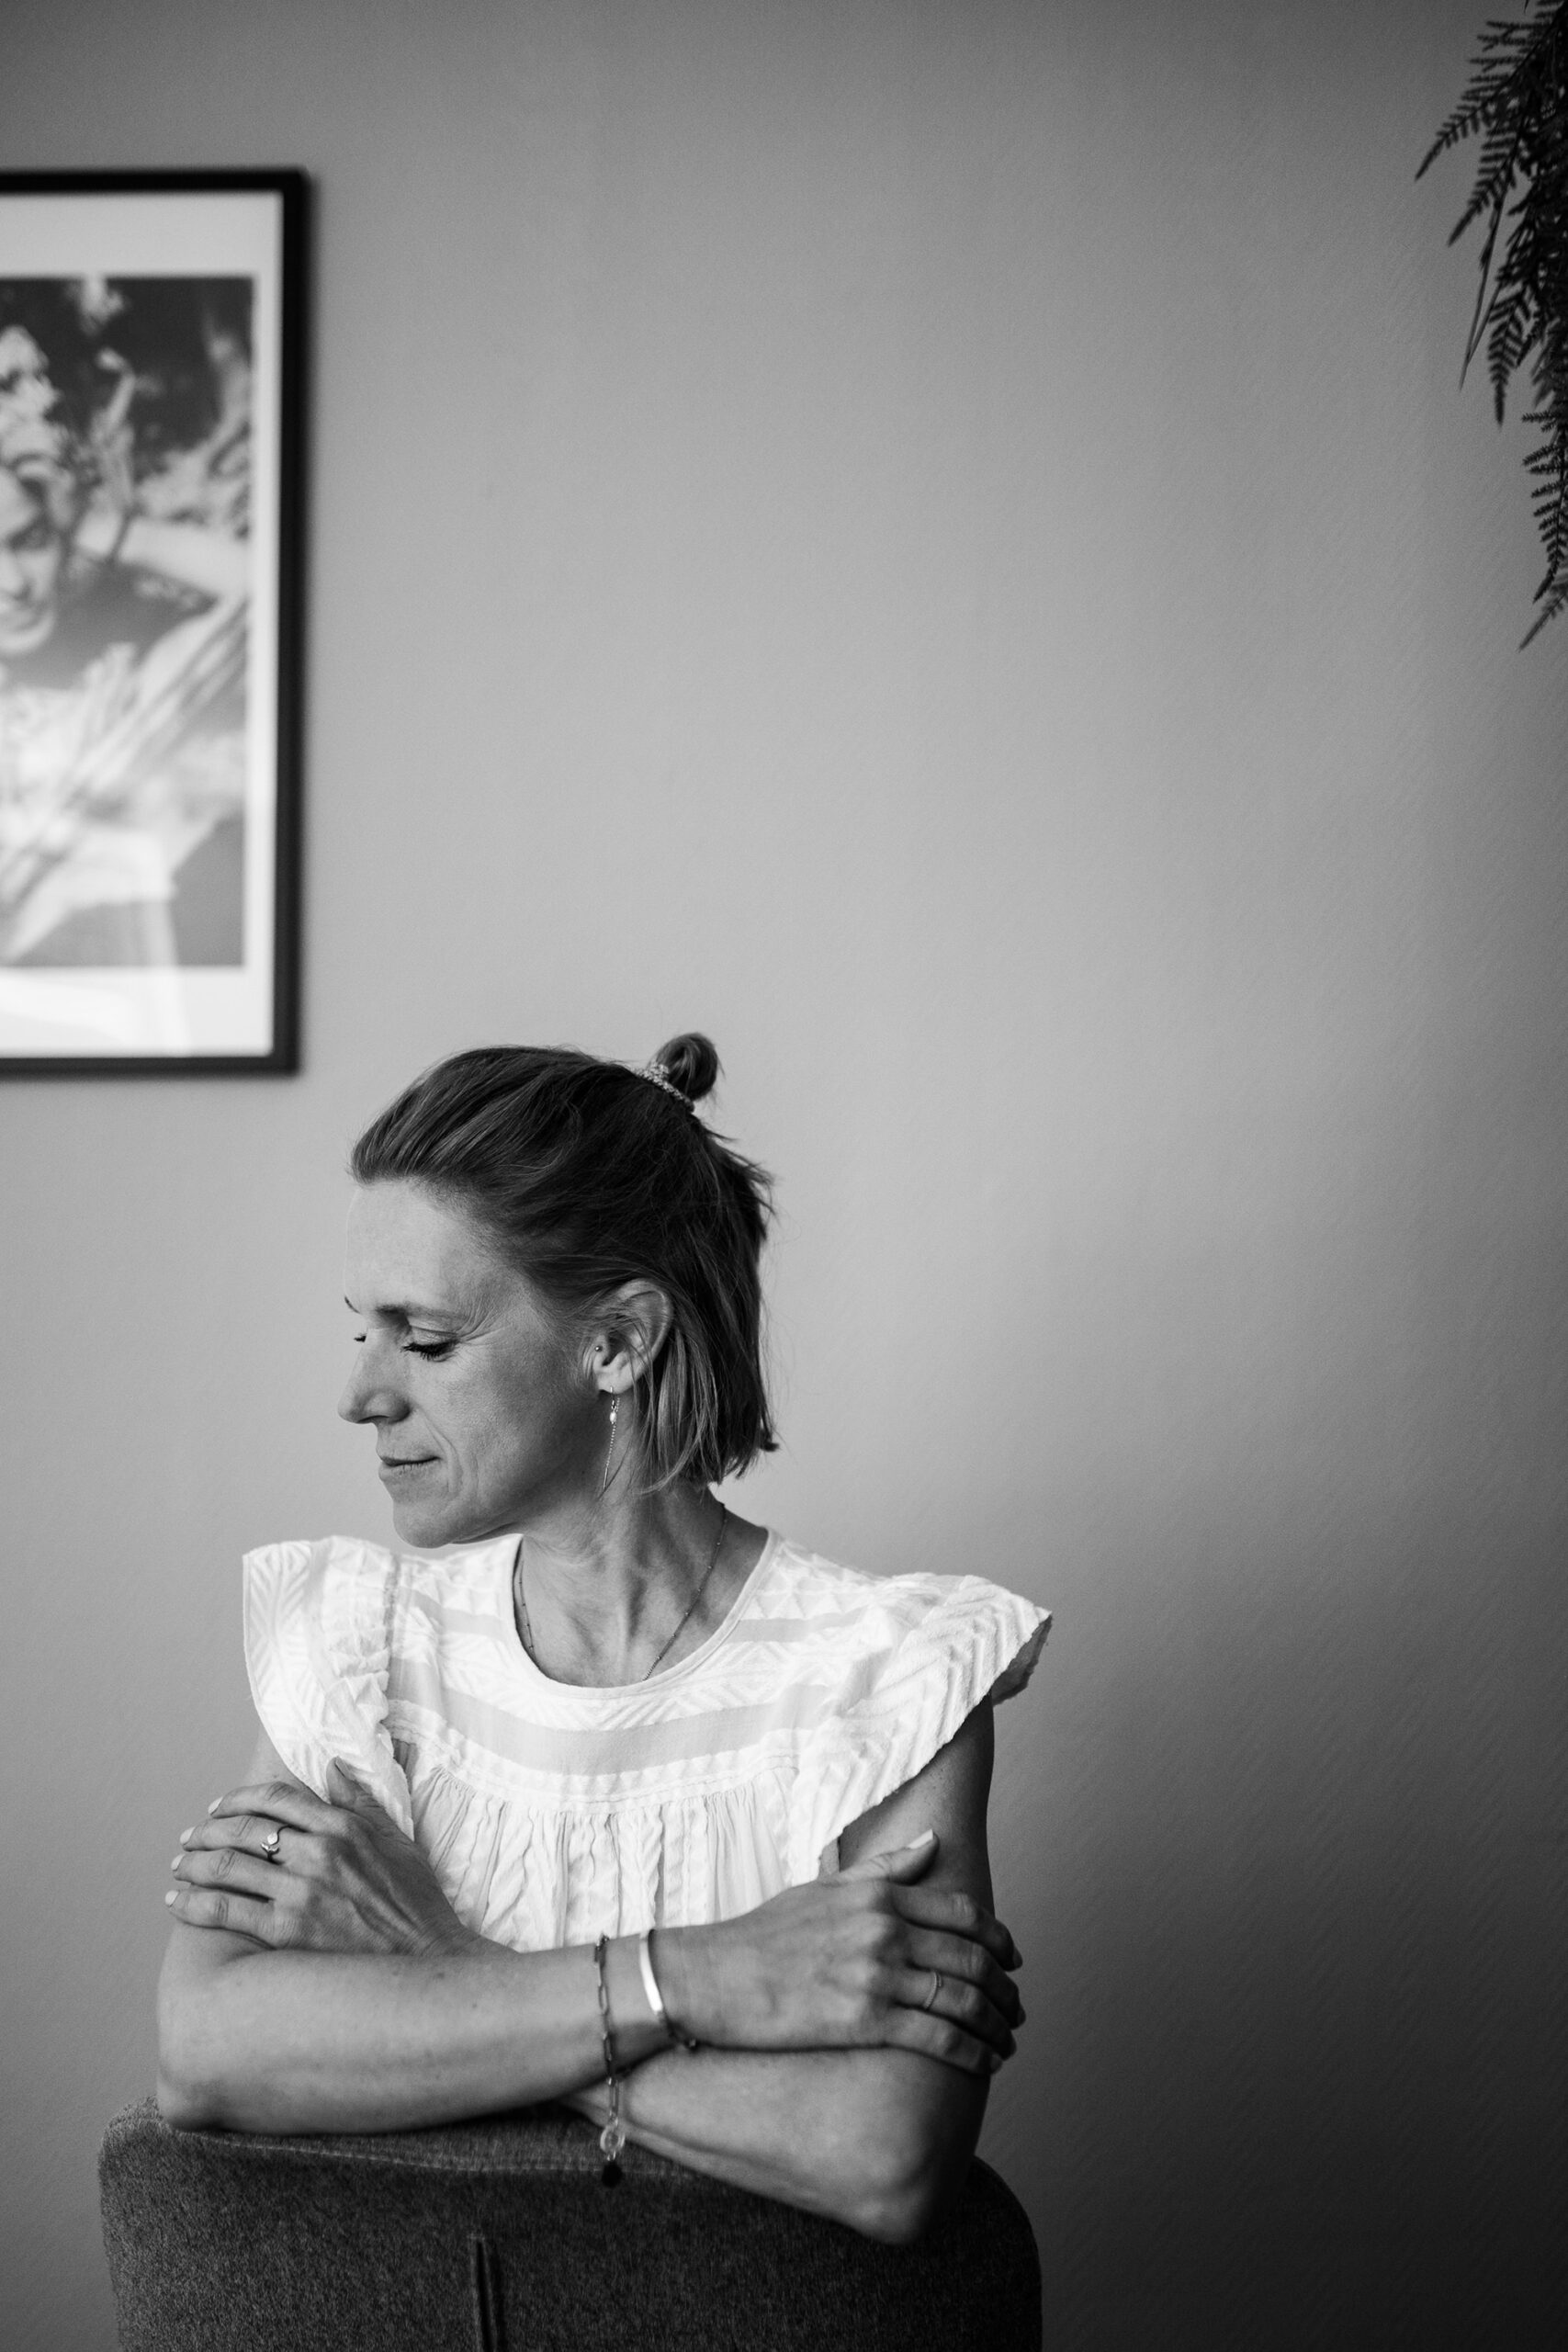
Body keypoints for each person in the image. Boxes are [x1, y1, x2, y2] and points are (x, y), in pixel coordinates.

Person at [157, 1035, 1050, 2242]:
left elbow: (878, 2153)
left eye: (427, 1339)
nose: (361, 1394)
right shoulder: (358, 1652)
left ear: (620, 1342)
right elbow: (205, 2049)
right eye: (362, 1329)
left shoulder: (889, 1679)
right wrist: (695, 1977)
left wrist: (436, 1955)